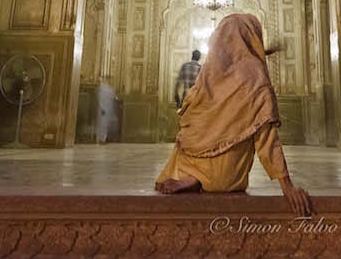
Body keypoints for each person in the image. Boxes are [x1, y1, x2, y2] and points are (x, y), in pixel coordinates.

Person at [155, 13, 313, 216]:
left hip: (188, 163)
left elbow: (187, 110)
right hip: (226, 177)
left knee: (187, 136)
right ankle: (204, 177)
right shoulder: (254, 76)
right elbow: (266, 138)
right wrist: (287, 185)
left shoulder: (210, 72)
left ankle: (193, 175)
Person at [95, 76, 119, 144]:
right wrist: (102, 107)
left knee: (105, 124)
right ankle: (101, 139)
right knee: (102, 124)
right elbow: (99, 99)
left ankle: (103, 139)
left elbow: (114, 97)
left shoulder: (109, 88)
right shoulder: (103, 88)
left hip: (107, 108)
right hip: (104, 109)